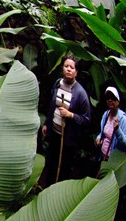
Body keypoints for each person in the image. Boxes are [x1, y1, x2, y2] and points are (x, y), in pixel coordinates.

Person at [42, 54, 91, 186]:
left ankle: (60, 195)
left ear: (76, 72)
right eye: (66, 66)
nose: (69, 69)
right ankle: (47, 190)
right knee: (51, 163)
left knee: (63, 166)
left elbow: (86, 119)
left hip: (68, 140)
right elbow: (52, 105)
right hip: (54, 135)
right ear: (62, 68)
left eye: (72, 67)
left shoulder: (81, 94)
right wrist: (47, 123)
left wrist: (70, 115)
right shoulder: (58, 83)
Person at [95, 86, 126, 160]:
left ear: (118, 101)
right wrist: (99, 138)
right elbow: (103, 133)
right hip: (102, 156)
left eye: (113, 98)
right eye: (108, 98)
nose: (110, 100)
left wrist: (118, 130)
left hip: (113, 160)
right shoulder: (106, 114)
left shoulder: (122, 118)